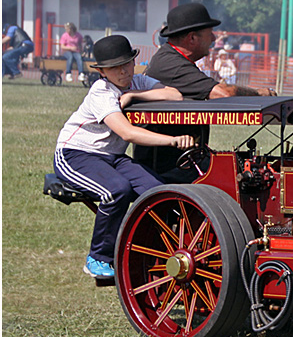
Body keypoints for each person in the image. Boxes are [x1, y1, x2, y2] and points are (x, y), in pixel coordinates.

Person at [52, 35, 193, 280]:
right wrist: (172, 140)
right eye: (114, 67)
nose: (123, 71)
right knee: (116, 190)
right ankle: (98, 258)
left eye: (126, 63)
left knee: (159, 191)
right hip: (75, 155)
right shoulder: (101, 91)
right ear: (102, 71)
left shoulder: (137, 82)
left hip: (112, 157)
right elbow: (127, 133)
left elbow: (175, 95)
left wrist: (135, 95)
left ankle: (151, 252)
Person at [138, 3, 274, 179]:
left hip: (184, 156)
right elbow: (224, 93)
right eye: (209, 33)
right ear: (192, 38)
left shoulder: (172, 59)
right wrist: (259, 94)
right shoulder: (172, 65)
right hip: (168, 164)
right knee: (236, 177)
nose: (214, 37)